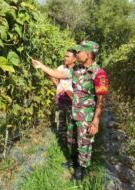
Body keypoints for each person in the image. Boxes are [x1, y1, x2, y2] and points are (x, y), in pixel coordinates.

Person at [31, 40, 108, 180]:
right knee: (72, 139)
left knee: (84, 143)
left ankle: (81, 169)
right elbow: (58, 74)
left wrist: (95, 121)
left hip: (86, 117)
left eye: (80, 52)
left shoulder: (99, 73)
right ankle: (73, 160)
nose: (77, 54)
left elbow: (101, 100)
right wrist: (41, 66)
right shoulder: (77, 70)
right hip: (74, 112)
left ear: (88, 54)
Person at [50, 49, 76, 146]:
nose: (65, 58)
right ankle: (63, 143)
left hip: (72, 100)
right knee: (61, 122)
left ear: (74, 59)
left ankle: (72, 144)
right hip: (61, 99)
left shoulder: (77, 70)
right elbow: (52, 75)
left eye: (67, 56)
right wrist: (58, 85)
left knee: (72, 122)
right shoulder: (62, 67)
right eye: (65, 56)